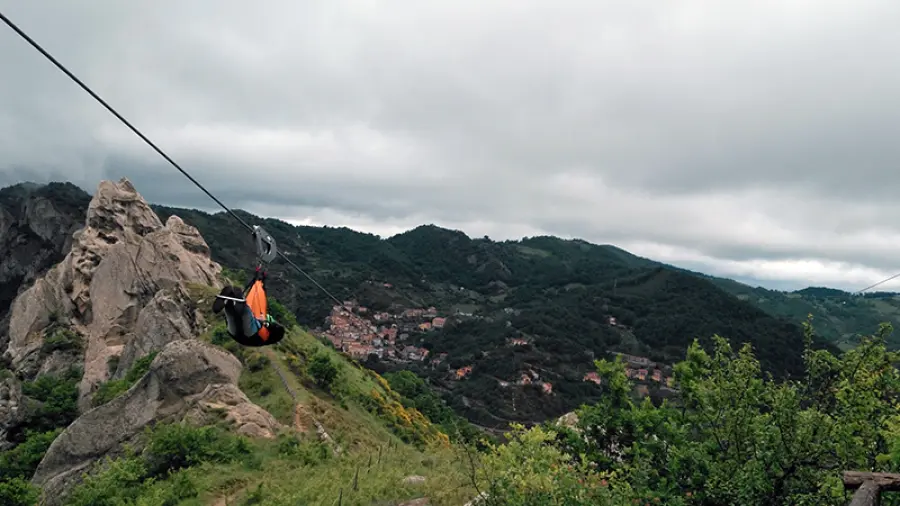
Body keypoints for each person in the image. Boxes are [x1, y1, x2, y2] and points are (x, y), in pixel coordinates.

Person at [212, 269, 285, 347]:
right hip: (237, 335)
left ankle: (235, 301)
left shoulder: (273, 333)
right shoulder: (266, 322)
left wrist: (265, 322)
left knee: (246, 312)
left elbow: (278, 331)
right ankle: (229, 303)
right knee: (233, 314)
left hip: (252, 335)